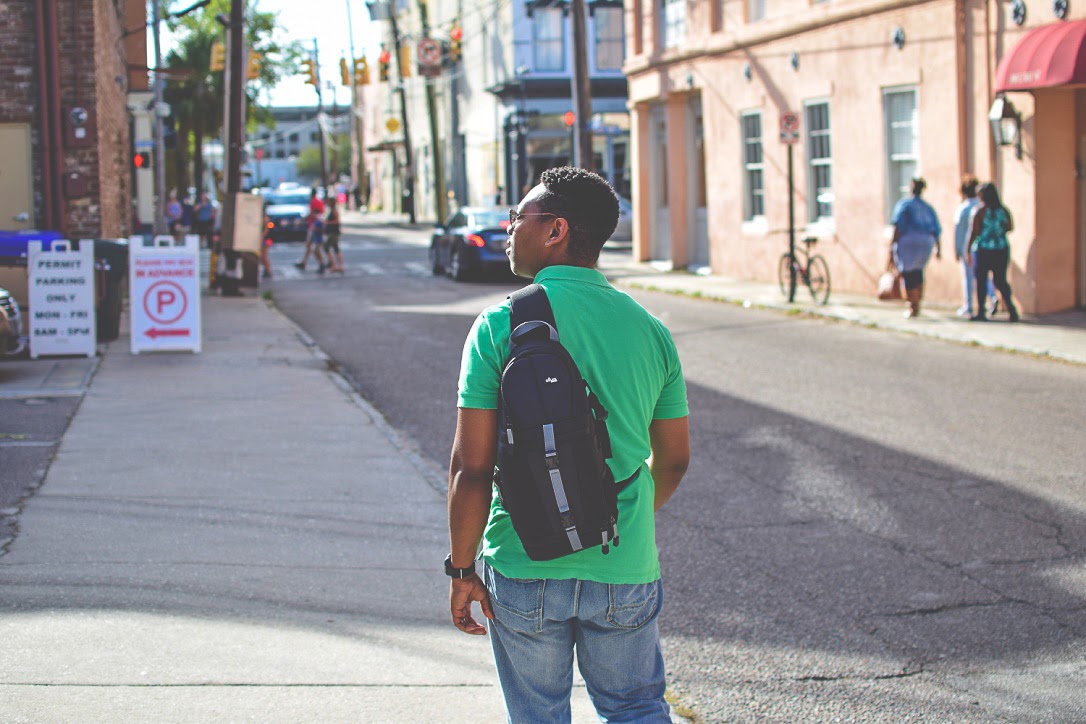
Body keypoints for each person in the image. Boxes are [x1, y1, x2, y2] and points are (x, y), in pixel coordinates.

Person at [447, 167, 690, 722]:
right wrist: (617, 515)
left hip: (523, 557)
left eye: (518, 217)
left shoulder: (499, 325)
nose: (509, 227)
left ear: (555, 229)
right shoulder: (650, 330)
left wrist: (461, 571)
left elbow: (471, 469)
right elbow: (675, 459)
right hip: (622, 559)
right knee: (636, 708)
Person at [966, 182, 1020, 322]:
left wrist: (968, 249)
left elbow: (974, 231)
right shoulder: (1003, 210)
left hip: (983, 249)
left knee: (981, 280)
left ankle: (981, 312)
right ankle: (1011, 310)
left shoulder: (980, 211)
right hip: (1001, 248)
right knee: (1001, 280)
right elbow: (1010, 227)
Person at [890, 177, 942, 318]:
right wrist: (938, 248)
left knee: (907, 274)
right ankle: (917, 302)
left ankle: (912, 305)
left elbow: (898, 225)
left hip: (908, 242)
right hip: (926, 243)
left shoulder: (904, 204)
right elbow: (936, 229)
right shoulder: (927, 207)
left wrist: (892, 246)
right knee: (918, 272)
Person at [953, 176, 997, 318]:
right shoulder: (982, 207)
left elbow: (959, 231)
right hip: (983, 247)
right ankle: (993, 297)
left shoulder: (963, 208)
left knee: (968, 277)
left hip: (969, 247)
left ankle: (969, 306)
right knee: (983, 277)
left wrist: (958, 249)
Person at [294, 187, 326, 272]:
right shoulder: (319, 201)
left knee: (314, 248)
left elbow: (313, 213)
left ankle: (321, 263)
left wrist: (302, 220)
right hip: (316, 226)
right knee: (309, 246)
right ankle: (304, 262)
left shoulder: (314, 202)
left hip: (314, 226)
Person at [323, 198, 344, 273]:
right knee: (335, 248)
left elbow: (337, 221)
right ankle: (338, 265)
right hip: (331, 232)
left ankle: (333, 264)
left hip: (333, 232)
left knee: (327, 247)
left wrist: (327, 222)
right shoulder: (331, 210)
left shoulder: (334, 211)